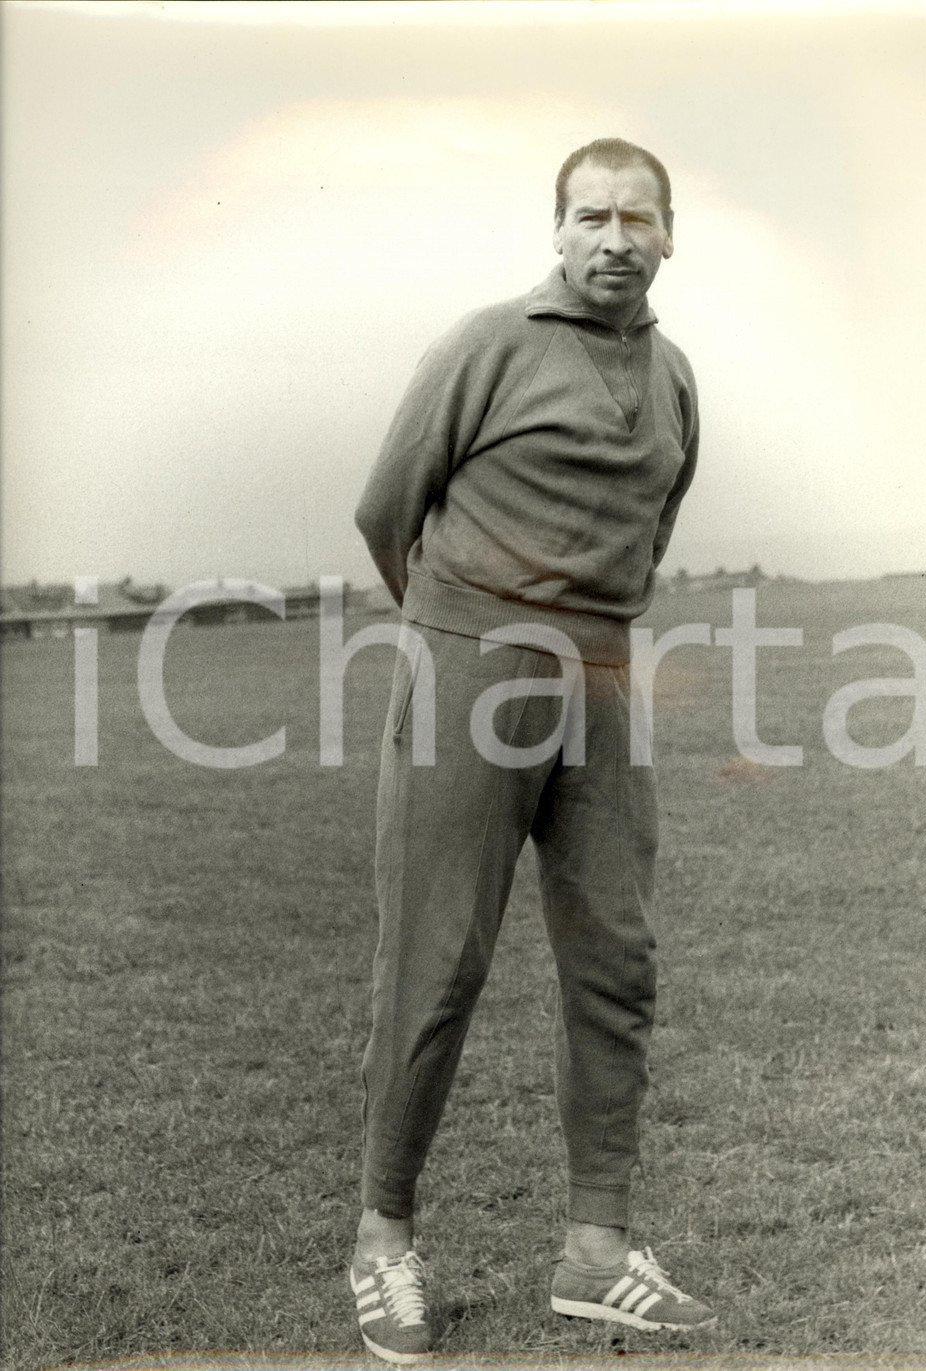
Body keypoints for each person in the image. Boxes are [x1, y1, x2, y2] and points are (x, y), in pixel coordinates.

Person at [350, 137, 714, 1364]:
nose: (616, 238)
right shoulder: (485, 343)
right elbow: (386, 505)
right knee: (437, 962)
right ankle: (383, 1240)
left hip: (600, 683)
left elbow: (649, 533)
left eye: (638, 218)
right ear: (557, 230)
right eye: (592, 216)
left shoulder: (672, 378)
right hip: (470, 671)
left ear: (671, 234)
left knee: (617, 961)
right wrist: (463, 640)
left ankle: (595, 1256)